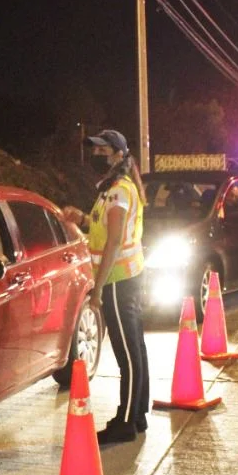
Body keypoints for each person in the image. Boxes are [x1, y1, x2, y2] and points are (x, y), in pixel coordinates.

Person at [61, 129, 150, 443]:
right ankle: (137, 414)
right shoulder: (112, 189)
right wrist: (83, 218)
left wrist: (98, 289)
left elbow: (113, 241)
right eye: (95, 150)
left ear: (118, 154)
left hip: (117, 282)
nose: (97, 156)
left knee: (127, 353)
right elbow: (103, 228)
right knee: (134, 347)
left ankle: (125, 422)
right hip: (124, 279)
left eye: (102, 151)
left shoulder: (119, 191)